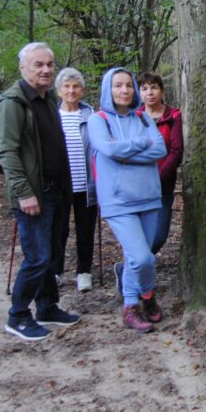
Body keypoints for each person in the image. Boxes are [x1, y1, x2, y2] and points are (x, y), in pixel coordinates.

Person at [0, 42, 81, 341]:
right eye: (38, 64)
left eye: (49, 64)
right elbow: (8, 152)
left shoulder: (46, 101)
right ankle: (18, 316)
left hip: (57, 191)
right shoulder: (13, 103)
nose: (45, 69)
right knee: (38, 257)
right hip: (34, 193)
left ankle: (47, 307)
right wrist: (23, 192)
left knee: (52, 254)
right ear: (23, 68)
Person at [88, 67, 167, 333]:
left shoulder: (144, 119)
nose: (124, 91)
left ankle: (134, 302)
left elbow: (160, 149)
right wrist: (140, 145)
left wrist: (124, 154)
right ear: (107, 90)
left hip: (148, 196)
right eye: (117, 85)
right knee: (143, 258)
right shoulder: (98, 120)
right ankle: (144, 296)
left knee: (134, 256)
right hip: (118, 200)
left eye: (128, 86)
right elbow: (107, 149)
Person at [52, 67, 97, 292]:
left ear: (82, 90)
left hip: (86, 184)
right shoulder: (51, 116)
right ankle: (56, 271)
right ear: (59, 90)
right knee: (58, 229)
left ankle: (84, 272)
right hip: (60, 185)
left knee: (85, 230)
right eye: (66, 86)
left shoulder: (91, 116)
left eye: (75, 86)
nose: (71, 91)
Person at [136, 72, 184, 254]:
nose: (150, 92)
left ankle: (129, 269)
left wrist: (157, 177)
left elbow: (176, 151)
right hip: (137, 187)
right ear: (139, 93)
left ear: (162, 91)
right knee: (137, 234)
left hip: (162, 187)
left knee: (158, 237)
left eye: (154, 87)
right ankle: (134, 274)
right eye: (145, 88)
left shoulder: (173, 116)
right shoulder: (134, 116)